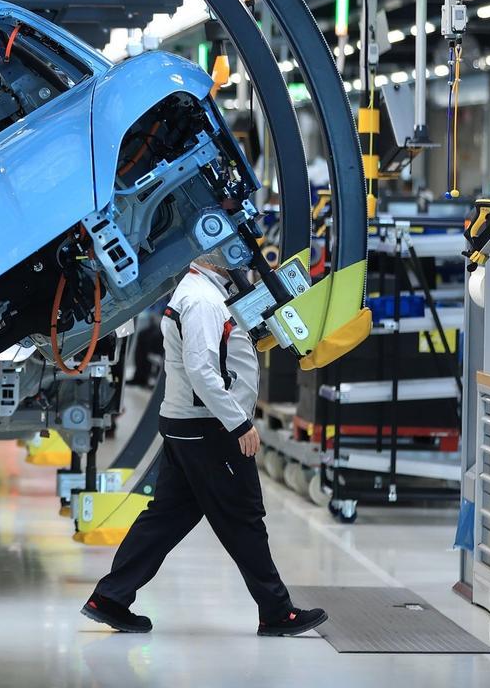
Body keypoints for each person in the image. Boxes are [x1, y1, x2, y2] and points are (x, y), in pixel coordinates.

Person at [81, 254, 327, 637]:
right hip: (209, 429)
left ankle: (110, 598)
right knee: (243, 518)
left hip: (193, 427)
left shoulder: (211, 295)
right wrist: (239, 423)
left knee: (165, 519)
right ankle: (277, 611)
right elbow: (201, 369)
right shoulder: (201, 300)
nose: (242, 256)